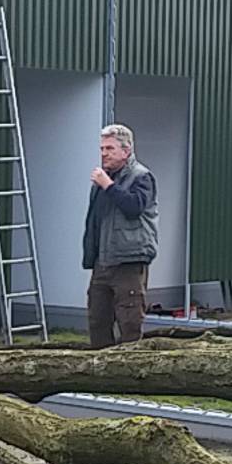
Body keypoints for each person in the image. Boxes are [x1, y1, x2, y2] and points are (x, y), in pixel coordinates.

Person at [81, 123, 158, 348]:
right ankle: (100, 363)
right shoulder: (102, 180)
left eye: (110, 149)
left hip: (129, 260)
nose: (104, 154)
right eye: (102, 149)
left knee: (129, 320)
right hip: (103, 261)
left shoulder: (141, 177)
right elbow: (95, 222)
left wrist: (109, 185)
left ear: (126, 151)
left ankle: (131, 365)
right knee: (97, 319)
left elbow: (134, 207)